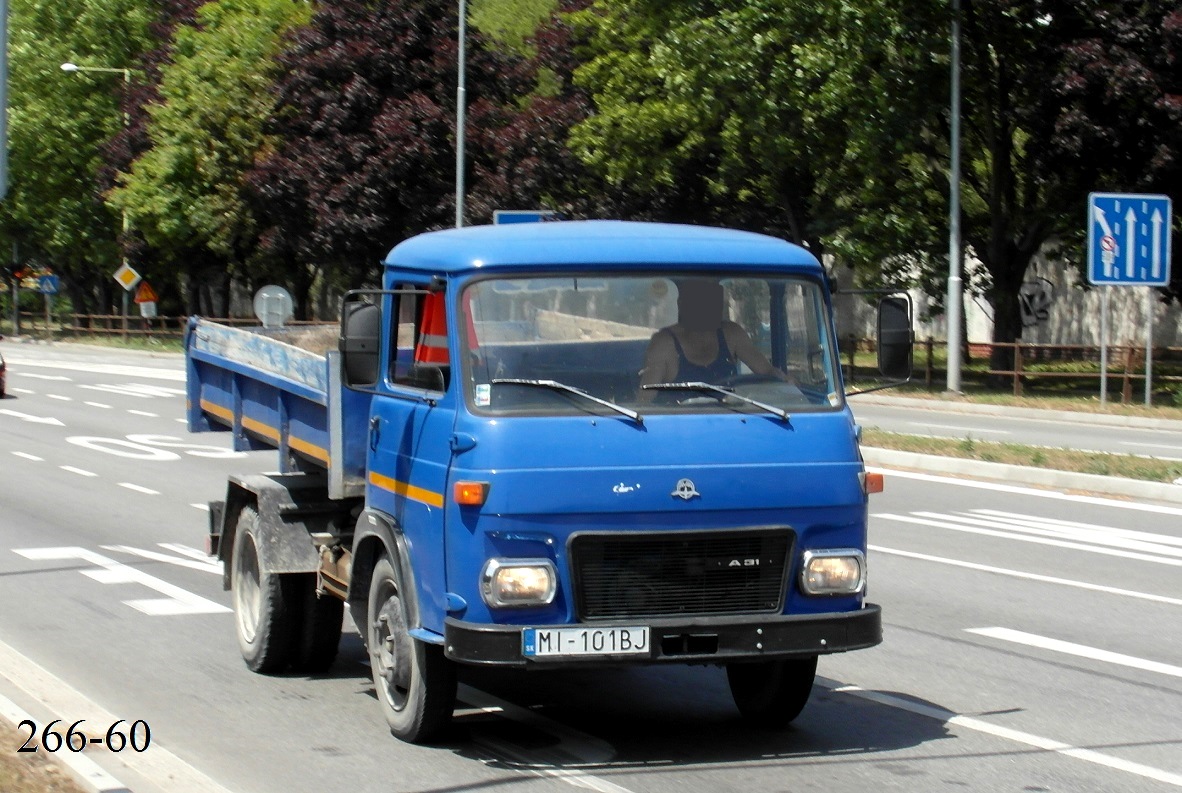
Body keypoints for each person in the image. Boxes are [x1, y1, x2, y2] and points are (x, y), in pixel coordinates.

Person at [639, 279, 790, 401]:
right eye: (697, 299)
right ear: (682, 305)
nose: (704, 306)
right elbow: (644, 401)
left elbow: (766, 372)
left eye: (710, 299)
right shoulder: (664, 343)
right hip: (679, 427)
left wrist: (784, 381)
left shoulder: (731, 334)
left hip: (731, 419)